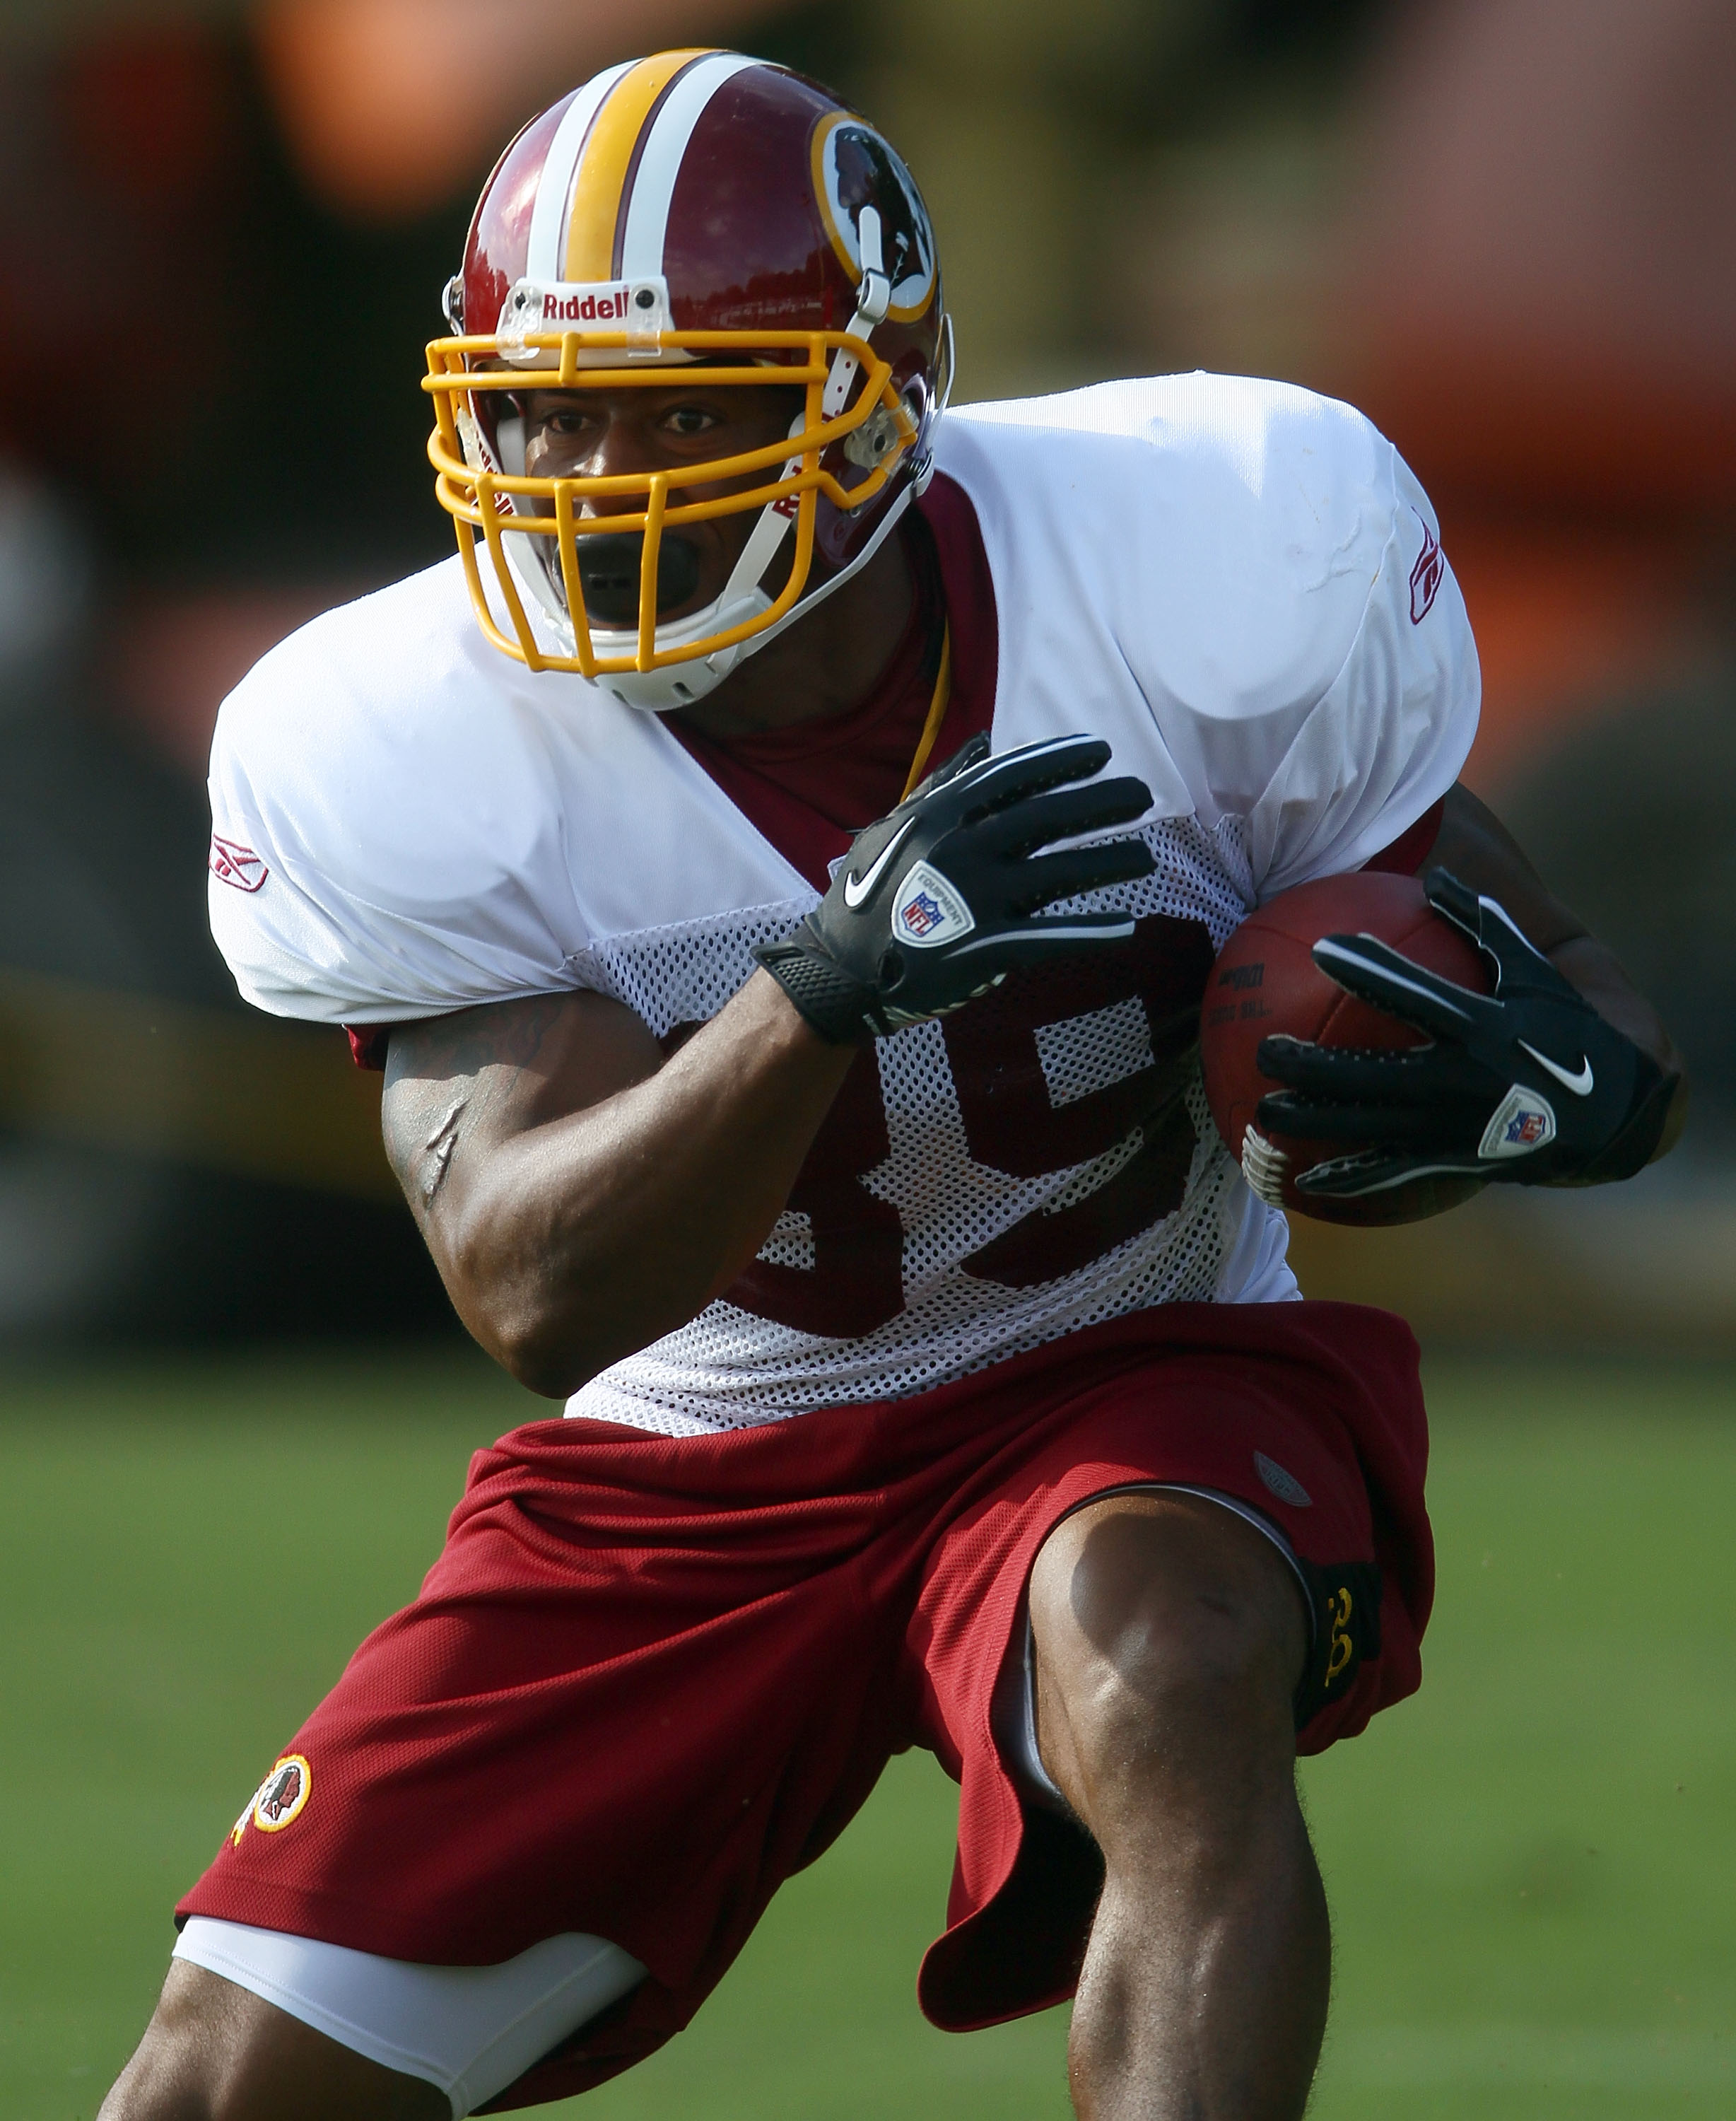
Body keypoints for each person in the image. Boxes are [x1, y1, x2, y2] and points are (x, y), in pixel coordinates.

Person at [102, 50, 1684, 2121]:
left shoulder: (1201, 554)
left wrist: (1581, 1092)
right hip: (708, 1439)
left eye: (684, 409)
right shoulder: (397, 736)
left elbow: (1534, 975)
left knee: (1160, 1653)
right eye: (545, 411)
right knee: (219, 2090)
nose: (595, 478)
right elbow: (533, 1291)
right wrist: (821, 991)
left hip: (1128, 1351)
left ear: (880, 402)